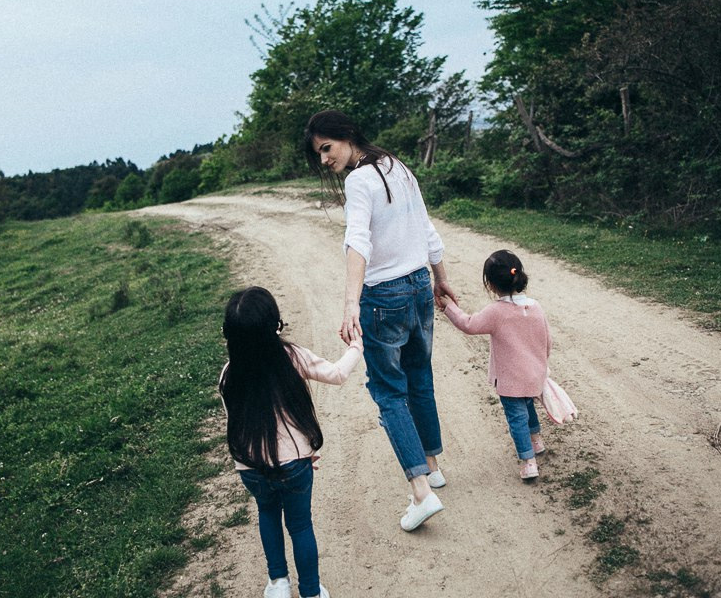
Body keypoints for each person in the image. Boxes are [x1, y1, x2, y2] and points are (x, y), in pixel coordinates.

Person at [303, 109, 457, 532]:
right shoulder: (396, 166)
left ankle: (421, 492)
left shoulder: (359, 180)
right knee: (419, 377)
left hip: (384, 297)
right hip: (418, 286)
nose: (324, 160)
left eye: (326, 148)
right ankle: (432, 465)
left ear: (347, 135)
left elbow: (358, 240)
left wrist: (351, 303)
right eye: (319, 154)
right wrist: (440, 278)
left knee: (389, 391)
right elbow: (427, 230)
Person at [219, 286, 363, 598]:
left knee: (267, 514)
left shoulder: (229, 374)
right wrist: (356, 346)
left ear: (229, 335)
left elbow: (236, 422)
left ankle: (278, 583)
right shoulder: (292, 357)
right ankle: (310, 591)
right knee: (300, 526)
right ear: (275, 326)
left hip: (251, 468)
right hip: (295, 464)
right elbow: (337, 374)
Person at [439, 249, 552, 481]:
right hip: (534, 374)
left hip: (511, 380)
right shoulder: (536, 307)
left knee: (517, 417)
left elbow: (469, 324)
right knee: (528, 406)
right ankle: (536, 441)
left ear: (490, 285)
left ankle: (528, 461)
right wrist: (542, 365)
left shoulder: (496, 311)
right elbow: (547, 340)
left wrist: (449, 307)